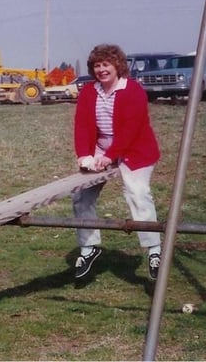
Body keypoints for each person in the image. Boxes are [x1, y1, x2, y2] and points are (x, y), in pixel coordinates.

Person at [71, 44, 163, 281]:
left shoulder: (133, 90)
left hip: (135, 149)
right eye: (97, 66)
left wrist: (110, 157)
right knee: (81, 194)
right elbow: (81, 125)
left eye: (106, 65)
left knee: (137, 191)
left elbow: (130, 130)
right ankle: (89, 247)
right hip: (102, 149)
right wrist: (85, 155)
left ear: (117, 66)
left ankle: (154, 251)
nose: (101, 70)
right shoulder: (89, 92)